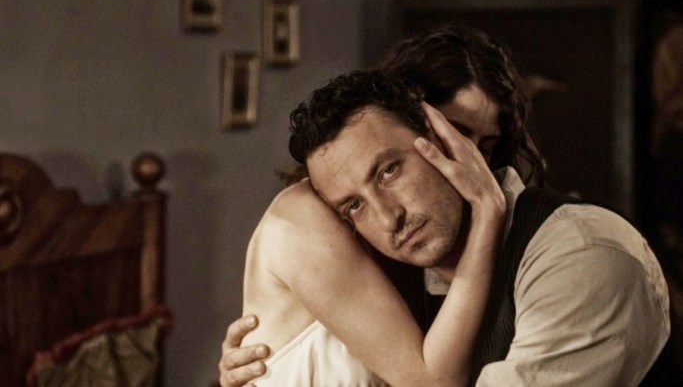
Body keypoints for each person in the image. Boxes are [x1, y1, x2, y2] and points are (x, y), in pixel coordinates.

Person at [221, 28, 672, 385]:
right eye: (452, 133)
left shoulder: (577, 255)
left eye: (486, 144)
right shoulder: (332, 230)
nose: (471, 160)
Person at [236, 70, 507, 386]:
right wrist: (487, 213)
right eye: (353, 204)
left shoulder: (415, 256)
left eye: (388, 172)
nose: (388, 218)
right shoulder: (300, 218)